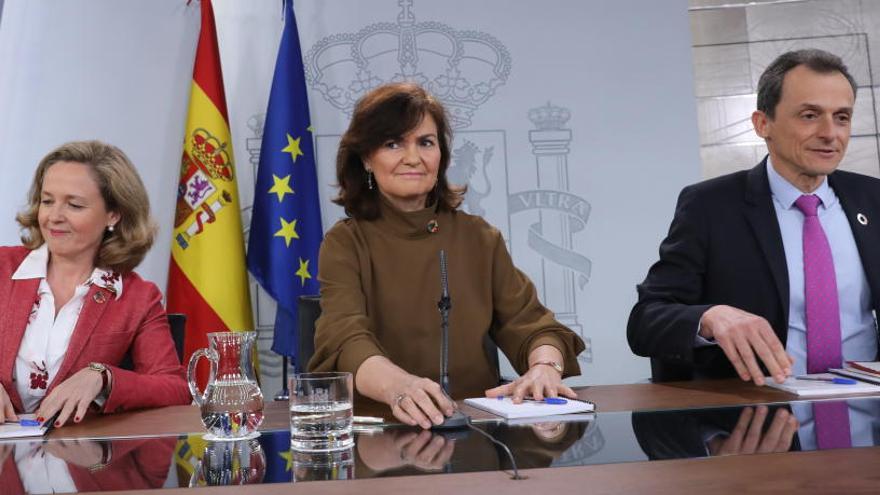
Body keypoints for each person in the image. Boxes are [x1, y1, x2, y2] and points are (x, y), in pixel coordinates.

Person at [309, 82, 585, 429]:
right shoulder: (345, 243)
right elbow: (344, 338)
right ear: (366, 158)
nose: (413, 157)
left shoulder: (479, 237)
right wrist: (401, 387)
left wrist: (544, 367)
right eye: (393, 144)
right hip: (383, 431)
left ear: (441, 156)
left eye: (426, 142)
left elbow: (532, 324)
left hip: (474, 431)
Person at [628, 49, 880, 384]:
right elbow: (646, 321)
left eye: (842, 117)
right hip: (761, 416)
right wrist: (708, 316)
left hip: (867, 410)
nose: (830, 133)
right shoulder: (709, 206)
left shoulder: (873, 199)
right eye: (809, 115)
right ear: (763, 124)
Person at [0, 140, 191, 427]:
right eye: (47, 200)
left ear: (113, 214)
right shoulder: (3, 268)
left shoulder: (137, 297)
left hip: (80, 462)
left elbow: (174, 387)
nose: (54, 217)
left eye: (74, 205)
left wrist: (102, 377)